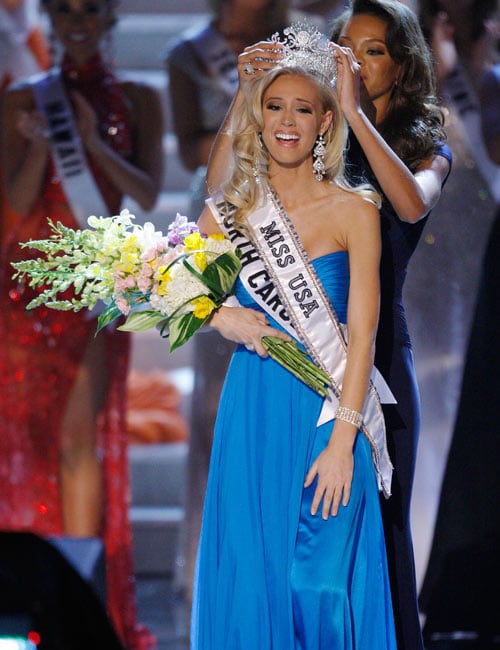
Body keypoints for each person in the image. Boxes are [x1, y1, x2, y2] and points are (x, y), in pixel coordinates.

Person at [206, 2, 452, 648]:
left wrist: (346, 109)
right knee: (256, 571)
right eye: (346, 45)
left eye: (373, 50)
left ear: (402, 66)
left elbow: (408, 205)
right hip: (262, 391)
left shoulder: (408, 160)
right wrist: (220, 314)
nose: (354, 61)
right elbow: (199, 247)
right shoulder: (268, 178)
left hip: (358, 377)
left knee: (342, 568)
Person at [0, 1, 164, 648]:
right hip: (24, 290)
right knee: (20, 443)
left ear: (108, 15)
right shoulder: (22, 97)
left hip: (93, 287)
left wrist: (92, 141)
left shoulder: (141, 99)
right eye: (63, 9)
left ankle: (80, 612)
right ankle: (22, 597)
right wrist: (40, 145)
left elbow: (147, 195)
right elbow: (12, 208)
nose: (75, 20)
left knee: (77, 445)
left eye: (88, 8)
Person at [164, 0, 292, 604]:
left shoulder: (299, 40)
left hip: (292, 209)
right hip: (228, 213)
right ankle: (216, 561)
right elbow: (192, 151)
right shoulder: (189, 54)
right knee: (220, 405)